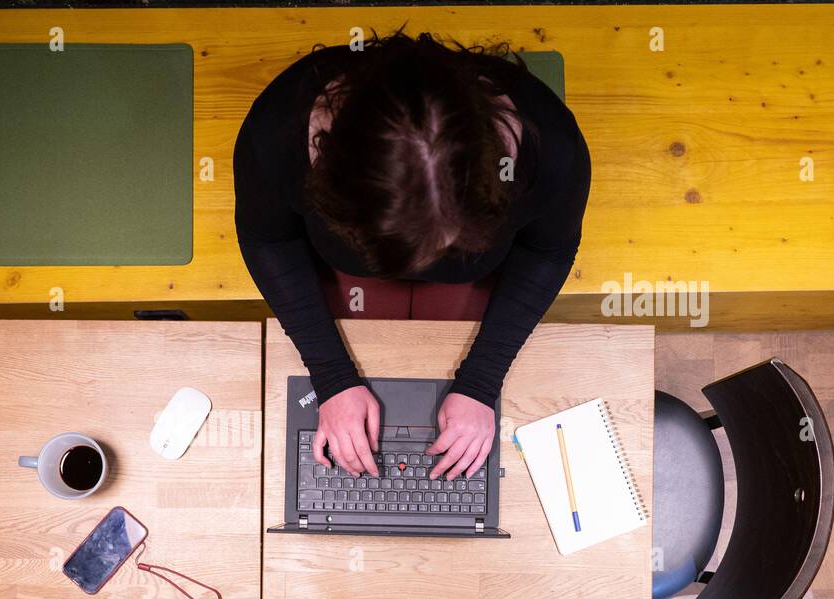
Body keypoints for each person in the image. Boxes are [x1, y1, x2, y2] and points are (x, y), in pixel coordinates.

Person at [234, 30, 591, 480]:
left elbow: (548, 249)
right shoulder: (277, 130)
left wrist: (482, 383)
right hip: (353, 277)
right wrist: (331, 380)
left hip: (468, 278)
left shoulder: (553, 148)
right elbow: (268, 240)